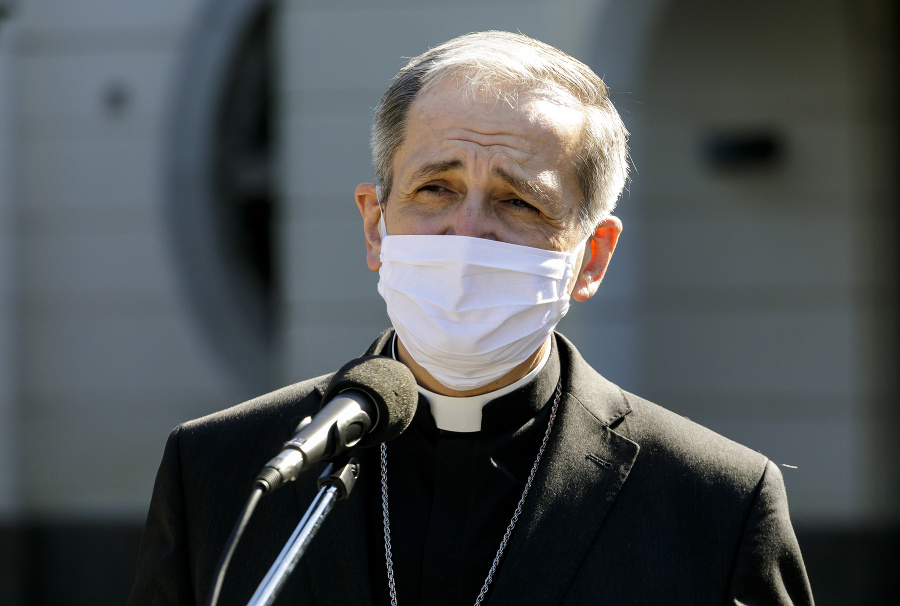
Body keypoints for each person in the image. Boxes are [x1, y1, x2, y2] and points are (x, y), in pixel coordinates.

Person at [129, 31, 813, 605]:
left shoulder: (715, 506)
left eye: (519, 202)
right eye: (435, 189)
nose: (466, 232)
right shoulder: (225, 474)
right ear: (375, 225)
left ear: (592, 256)